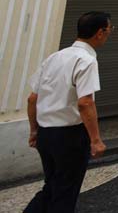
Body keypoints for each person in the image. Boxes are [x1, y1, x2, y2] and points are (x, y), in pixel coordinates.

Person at [25, 12, 112, 213]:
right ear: (100, 32)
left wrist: (34, 131)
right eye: (109, 30)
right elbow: (85, 103)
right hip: (70, 136)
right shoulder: (86, 60)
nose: (109, 34)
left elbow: (32, 98)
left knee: (52, 185)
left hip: (46, 133)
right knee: (66, 191)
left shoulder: (54, 57)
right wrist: (96, 139)